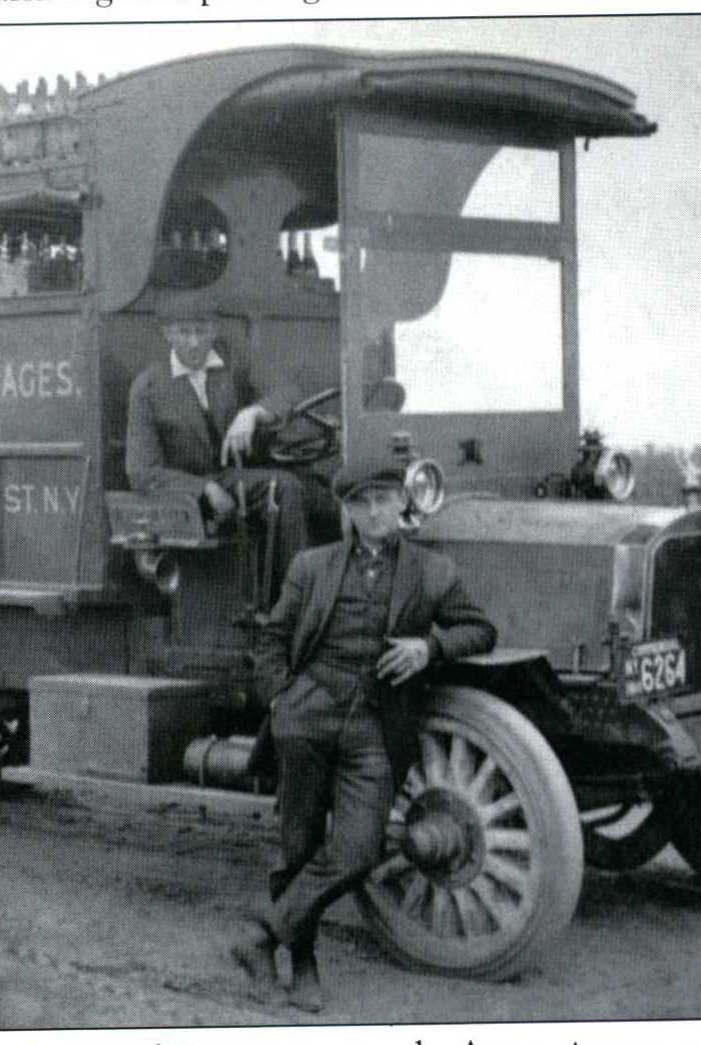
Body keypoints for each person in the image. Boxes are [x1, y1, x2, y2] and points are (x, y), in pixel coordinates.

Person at [231, 457, 497, 1010]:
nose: (374, 512)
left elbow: (481, 630)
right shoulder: (312, 566)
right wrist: (280, 700)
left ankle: (259, 938)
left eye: (383, 499)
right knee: (297, 848)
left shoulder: (431, 571)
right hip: (306, 719)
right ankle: (300, 964)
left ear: (404, 503)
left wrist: (431, 647)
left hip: (374, 727)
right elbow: (272, 639)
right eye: (360, 503)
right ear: (347, 511)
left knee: (357, 851)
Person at [124, 292, 314, 573]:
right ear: (167, 334)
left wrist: (253, 413)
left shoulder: (235, 360)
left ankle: (306, 593)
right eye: (184, 332)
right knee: (285, 488)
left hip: (240, 477)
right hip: (188, 494)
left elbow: (287, 391)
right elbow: (142, 472)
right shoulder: (148, 387)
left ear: (213, 330)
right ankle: (288, 597)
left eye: (201, 331)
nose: (194, 341)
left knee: (306, 490)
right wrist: (204, 489)